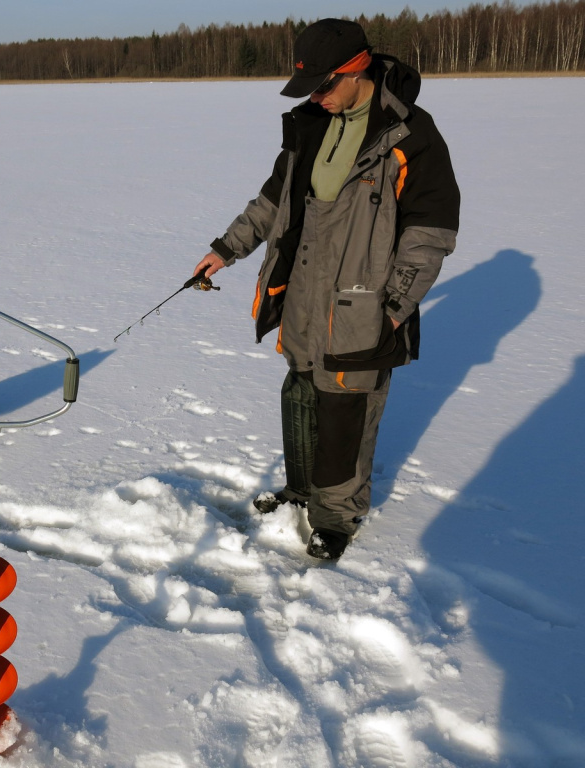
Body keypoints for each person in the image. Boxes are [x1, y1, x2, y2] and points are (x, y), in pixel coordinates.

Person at [194, 18, 460, 560]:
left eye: (323, 84)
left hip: (363, 301)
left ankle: (335, 518)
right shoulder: (311, 123)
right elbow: (274, 200)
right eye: (308, 87)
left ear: (356, 69)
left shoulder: (413, 136)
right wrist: (226, 249)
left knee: (346, 410)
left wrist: (392, 307)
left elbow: (429, 236)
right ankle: (301, 488)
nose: (316, 96)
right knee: (303, 392)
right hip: (304, 290)